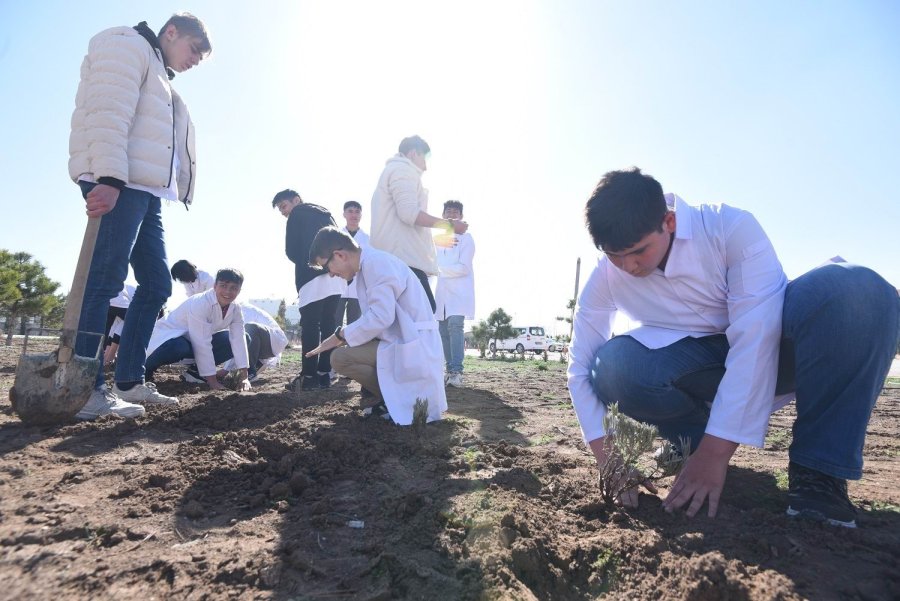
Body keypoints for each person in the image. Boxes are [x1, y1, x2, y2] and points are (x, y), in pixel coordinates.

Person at [568, 167, 899, 528]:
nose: (627, 266)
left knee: (855, 290)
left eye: (638, 251)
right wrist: (610, 459)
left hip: (779, 349)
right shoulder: (607, 274)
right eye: (614, 255)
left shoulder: (729, 229)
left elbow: (757, 339)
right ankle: (687, 444)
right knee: (613, 366)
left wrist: (716, 454)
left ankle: (818, 474)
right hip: (697, 366)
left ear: (669, 221)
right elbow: (580, 364)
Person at [70, 13, 212, 420]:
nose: (196, 60)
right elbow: (108, 111)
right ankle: (84, 389)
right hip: (121, 181)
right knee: (105, 282)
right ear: (171, 32)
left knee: (155, 284)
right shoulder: (125, 44)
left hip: (145, 190)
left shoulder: (159, 72)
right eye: (194, 49)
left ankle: (128, 380)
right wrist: (110, 177)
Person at [305, 227, 447, 425]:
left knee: (340, 357)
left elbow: (381, 317)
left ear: (339, 255)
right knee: (343, 355)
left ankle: (400, 401)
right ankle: (392, 399)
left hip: (415, 344)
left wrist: (340, 335)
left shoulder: (376, 264)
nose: (330, 274)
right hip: (403, 341)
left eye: (327, 266)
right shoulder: (370, 265)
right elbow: (379, 318)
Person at [369, 135, 469, 312]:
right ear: (414, 153)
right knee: (424, 317)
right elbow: (408, 213)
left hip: (394, 260)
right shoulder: (403, 170)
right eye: (426, 157)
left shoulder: (393, 171)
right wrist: (450, 225)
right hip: (403, 261)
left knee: (398, 322)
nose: (426, 165)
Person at [272, 189, 345, 391]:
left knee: (311, 326)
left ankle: (308, 376)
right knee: (330, 323)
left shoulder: (298, 214)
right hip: (335, 275)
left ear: (296, 200)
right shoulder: (327, 214)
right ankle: (324, 373)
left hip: (311, 275)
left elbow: (291, 250)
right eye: (280, 209)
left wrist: (309, 263)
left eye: (284, 206)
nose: (284, 212)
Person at [145, 269, 251, 391]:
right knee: (179, 346)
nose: (228, 291)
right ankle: (145, 369)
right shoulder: (200, 303)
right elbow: (202, 343)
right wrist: (213, 382)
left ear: (239, 290)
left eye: (234, 288)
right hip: (168, 342)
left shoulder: (235, 308)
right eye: (223, 286)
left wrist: (244, 377)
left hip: (192, 344)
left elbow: (239, 339)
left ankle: (195, 372)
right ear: (215, 286)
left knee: (241, 338)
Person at [434, 200, 475, 388]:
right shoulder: (437, 240)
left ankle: (457, 371)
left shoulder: (467, 239)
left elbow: (463, 268)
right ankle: (449, 370)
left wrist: (438, 269)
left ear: (461, 217)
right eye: (448, 211)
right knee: (443, 330)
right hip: (442, 293)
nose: (451, 215)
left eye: (455, 212)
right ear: (443, 216)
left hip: (459, 293)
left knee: (455, 327)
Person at [335, 200, 370, 327]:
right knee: (334, 321)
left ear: (361, 215)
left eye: (357, 212)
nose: (353, 215)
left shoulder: (368, 239)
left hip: (358, 285)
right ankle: (332, 347)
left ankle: (352, 347)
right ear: (344, 214)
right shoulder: (335, 236)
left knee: (355, 324)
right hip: (337, 284)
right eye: (350, 211)